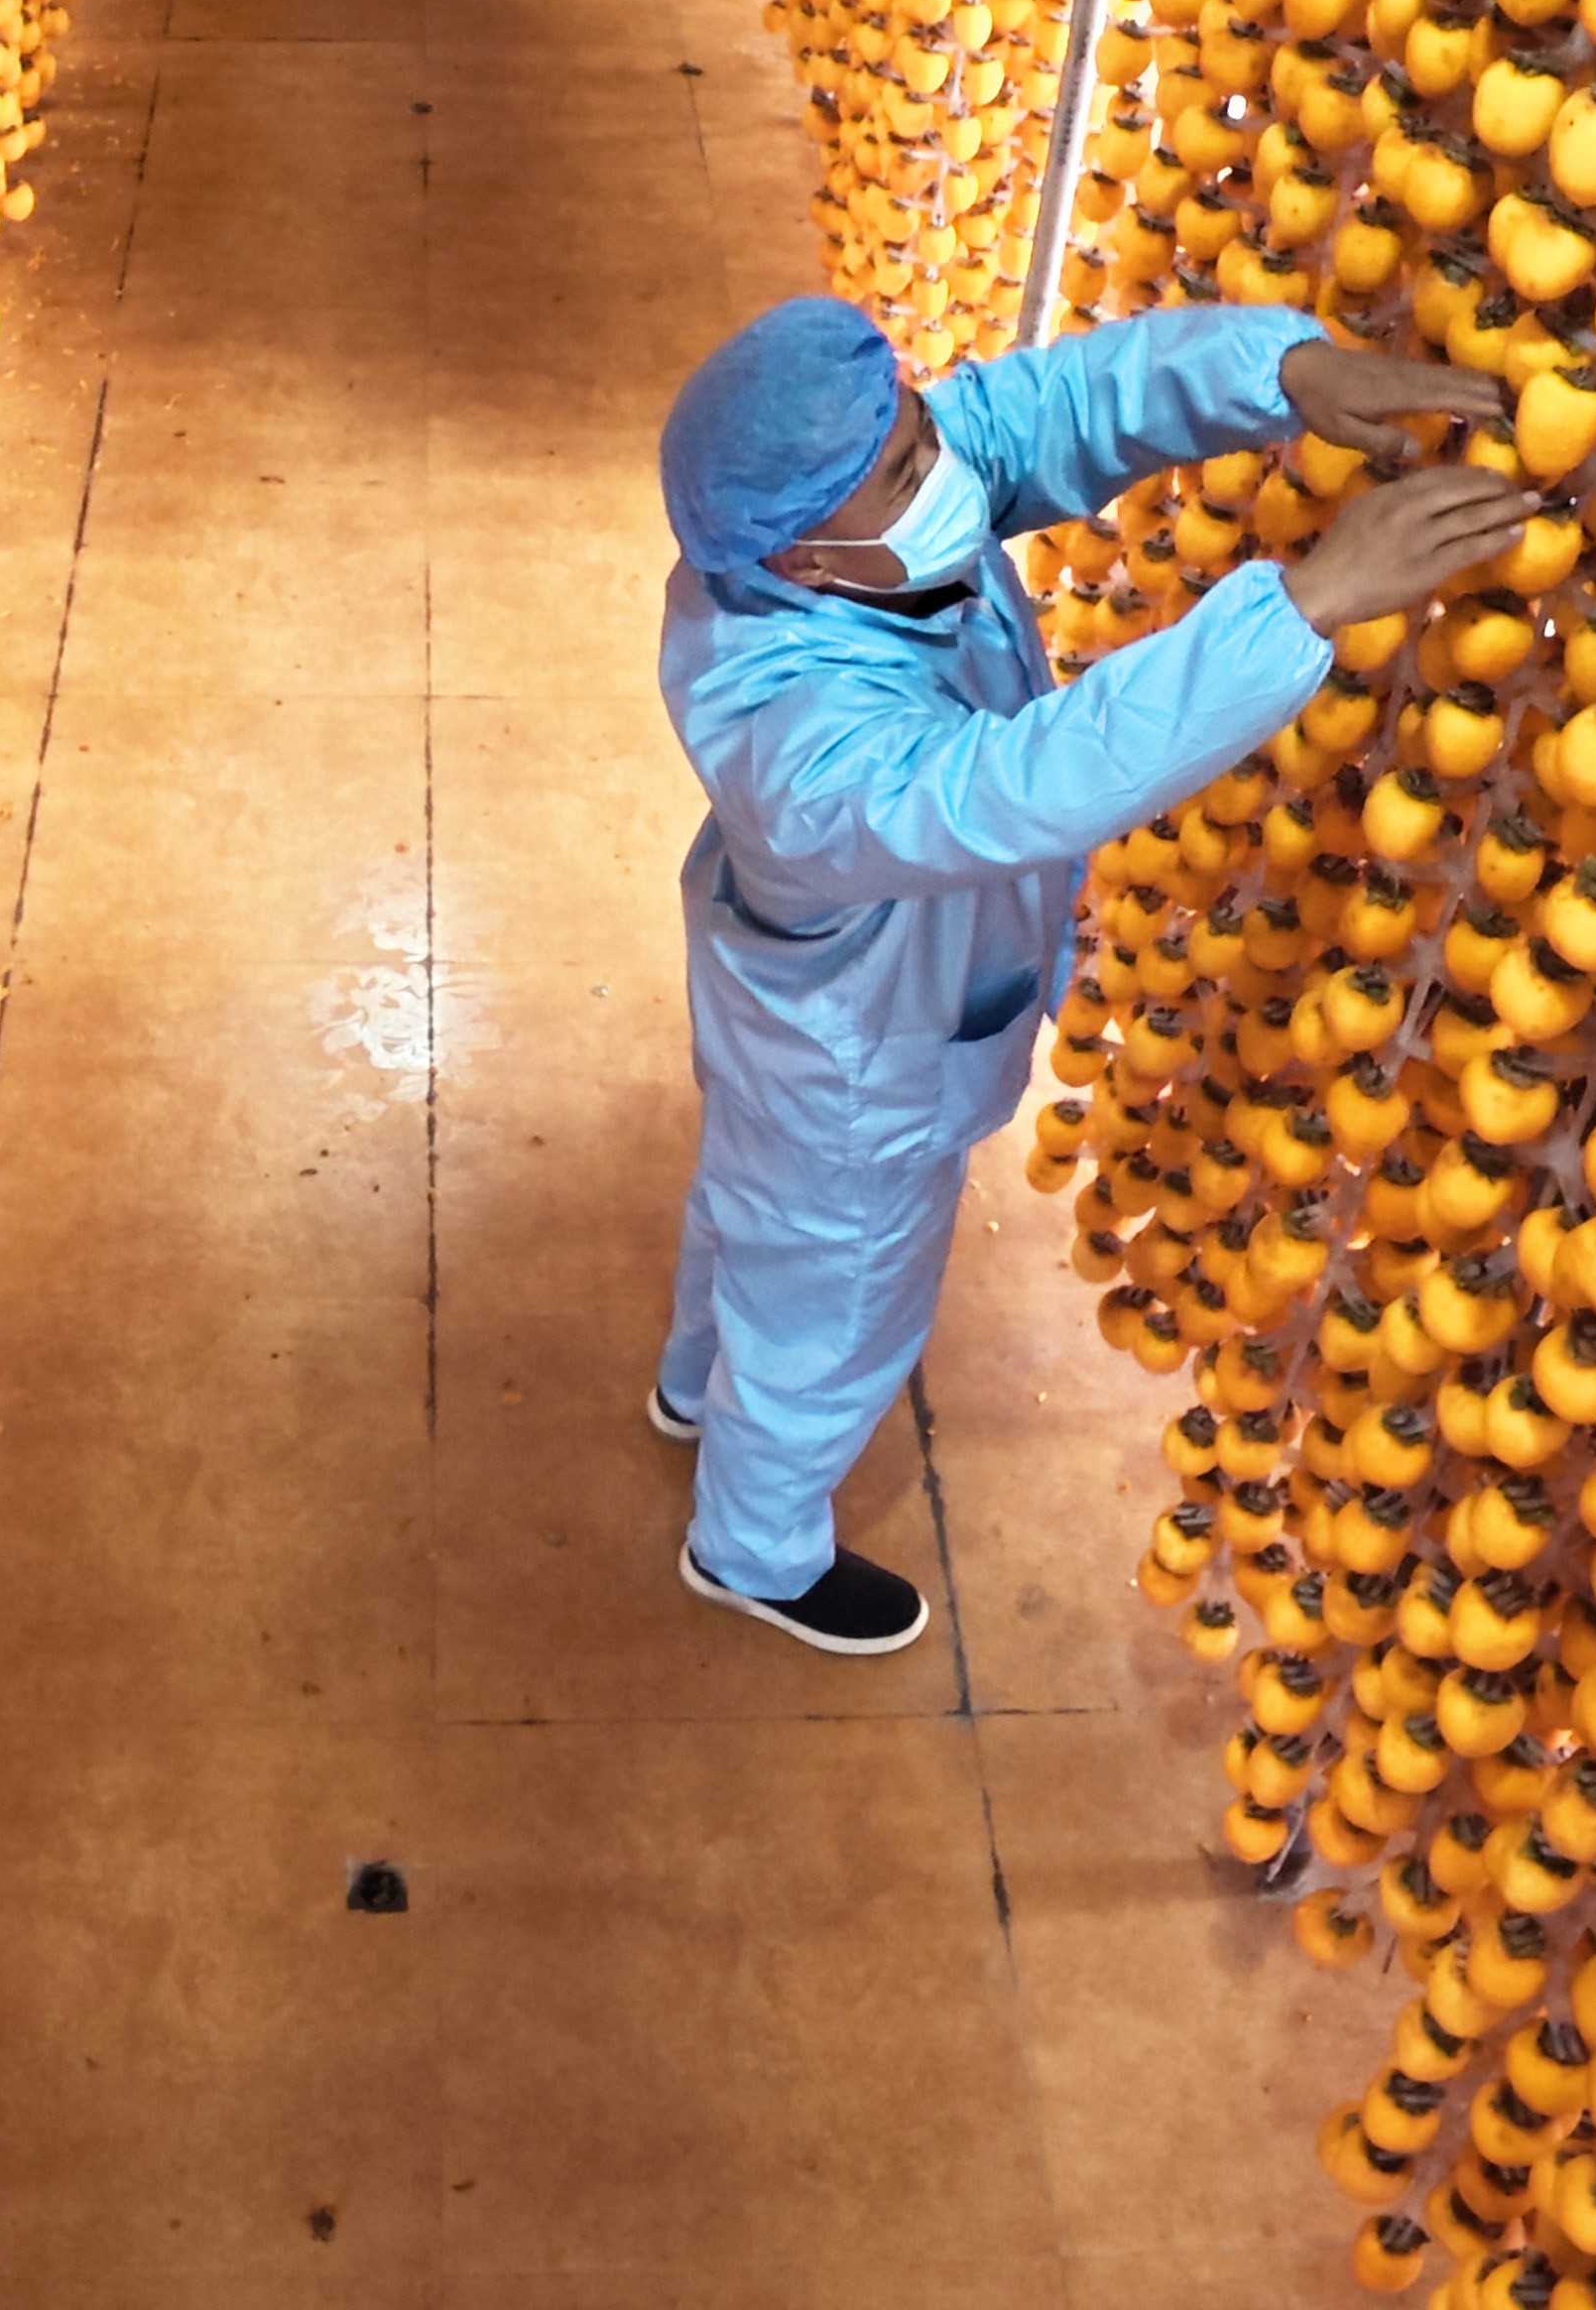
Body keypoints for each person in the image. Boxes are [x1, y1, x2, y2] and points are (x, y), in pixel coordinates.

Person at [643, 290, 1541, 1655]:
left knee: (757, 1218)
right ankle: (753, 1544)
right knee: (837, 1292)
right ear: (812, 560)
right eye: (904, 468)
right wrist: (1300, 607)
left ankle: (696, 1387)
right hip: (853, 1064)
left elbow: (1051, 409)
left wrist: (1281, 370)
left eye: (919, 424)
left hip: (809, 1006)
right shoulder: (800, 740)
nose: (945, 464)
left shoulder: (845, 532)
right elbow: (1021, 781)